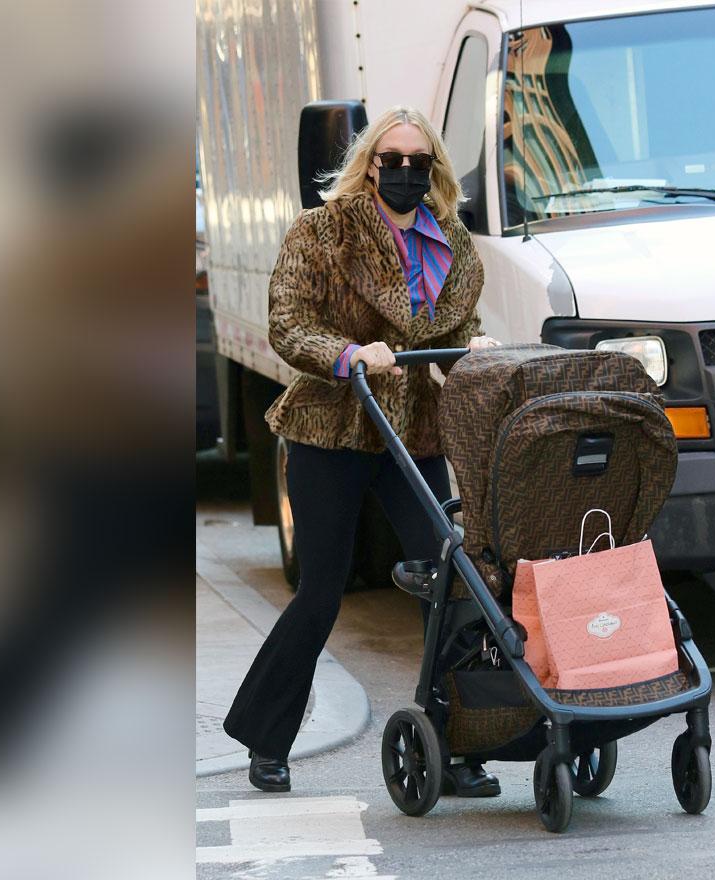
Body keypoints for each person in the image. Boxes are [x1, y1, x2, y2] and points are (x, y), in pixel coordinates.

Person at [223, 106, 502, 796]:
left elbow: (460, 327)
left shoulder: (452, 246)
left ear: (432, 170)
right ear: (369, 165)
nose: (403, 172)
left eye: (418, 162)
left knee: (454, 580)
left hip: (414, 434)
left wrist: (478, 350)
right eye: (391, 159)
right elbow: (289, 324)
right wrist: (350, 354)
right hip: (334, 431)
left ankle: (460, 745)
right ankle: (266, 738)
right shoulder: (321, 233)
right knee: (321, 589)